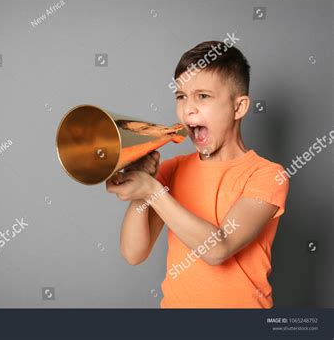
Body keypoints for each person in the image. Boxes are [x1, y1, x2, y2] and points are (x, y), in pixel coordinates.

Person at [106, 41, 289, 308]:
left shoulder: (268, 175)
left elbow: (218, 249)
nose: (188, 109)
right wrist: (139, 191)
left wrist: (153, 192)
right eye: (181, 96)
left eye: (203, 96)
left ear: (239, 107)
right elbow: (134, 253)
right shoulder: (173, 170)